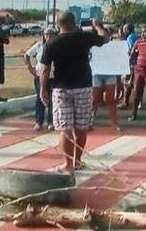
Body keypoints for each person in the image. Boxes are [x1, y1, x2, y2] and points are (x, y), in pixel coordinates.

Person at [40, 12, 109, 172]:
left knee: (65, 128)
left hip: (61, 88)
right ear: (75, 22)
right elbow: (104, 38)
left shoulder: (52, 42)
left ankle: (68, 164)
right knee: (81, 127)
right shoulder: (83, 37)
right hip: (83, 86)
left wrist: (43, 88)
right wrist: (98, 26)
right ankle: (77, 160)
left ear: (58, 24)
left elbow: (45, 68)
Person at [23, 27, 57, 131]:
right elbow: (26, 55)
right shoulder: (39, 46)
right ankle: (39, 121)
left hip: (53, 77)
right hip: (40, 76)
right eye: (46, 34)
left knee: (53, 99)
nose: (48, 36)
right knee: (40, 98)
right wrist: (30, 67)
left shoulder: (59, 46)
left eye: (51, 34)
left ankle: (51, 122)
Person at [118, 23, 140, 110]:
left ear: (127, 30)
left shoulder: (130, 38)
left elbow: (131, 50)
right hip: (137, 63)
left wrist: (128, 61)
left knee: (127, 83)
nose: (123, 31)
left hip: (132, 63)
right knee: (134, 84)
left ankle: (125, 102)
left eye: (124, 29)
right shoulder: (137, 36)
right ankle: (137, 102)